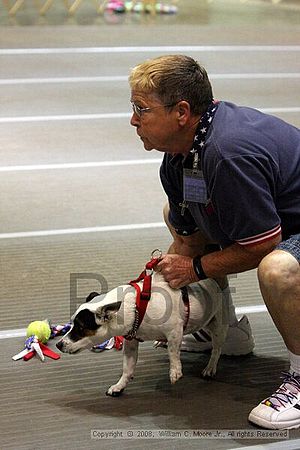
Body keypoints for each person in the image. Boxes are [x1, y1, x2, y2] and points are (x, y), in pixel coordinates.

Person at [128, 54, 300, 430]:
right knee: (175, 216)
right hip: (285, 217)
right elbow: (188, 244)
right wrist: (147, 295)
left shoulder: (227, 152)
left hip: (286, 227)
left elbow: (261, 245)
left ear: (182, 112)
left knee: (278, 268)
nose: (133, 121)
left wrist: (193, 270)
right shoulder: (179, 158)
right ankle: (228, 331)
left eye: (141, 109)